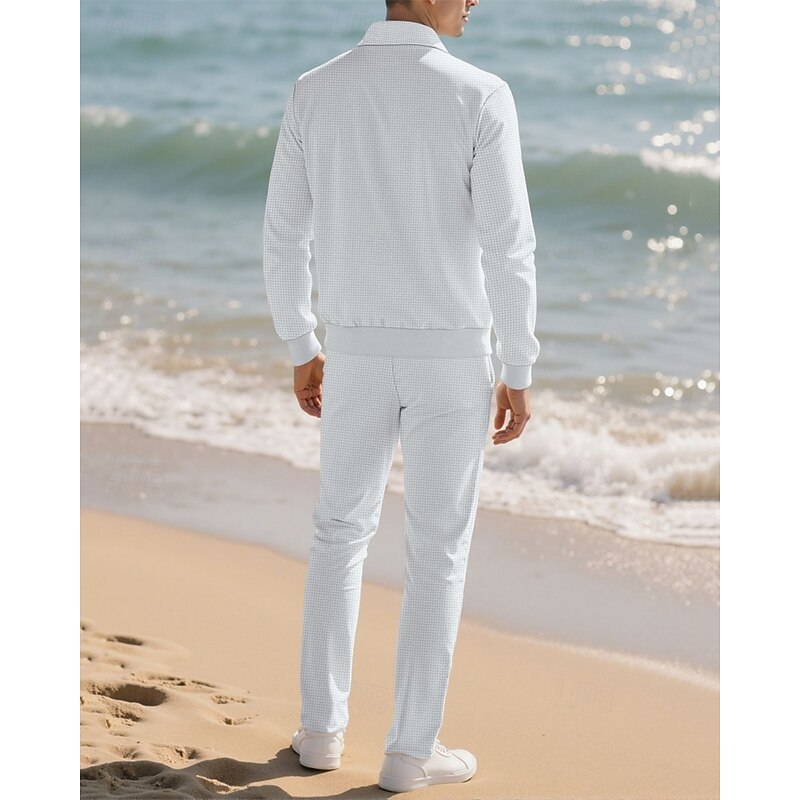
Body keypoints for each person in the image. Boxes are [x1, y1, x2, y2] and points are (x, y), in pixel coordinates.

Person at [262, 0, 539, 791]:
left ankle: (321, 733)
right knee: (437, 551)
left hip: (353, 353)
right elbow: (509, 244)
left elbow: (283, 232)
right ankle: (411, 751)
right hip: (451, 360)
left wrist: (301, 343)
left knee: (338, 534)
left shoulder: (314, 89)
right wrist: (518, 365)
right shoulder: (482, 94)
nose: (475, 1)